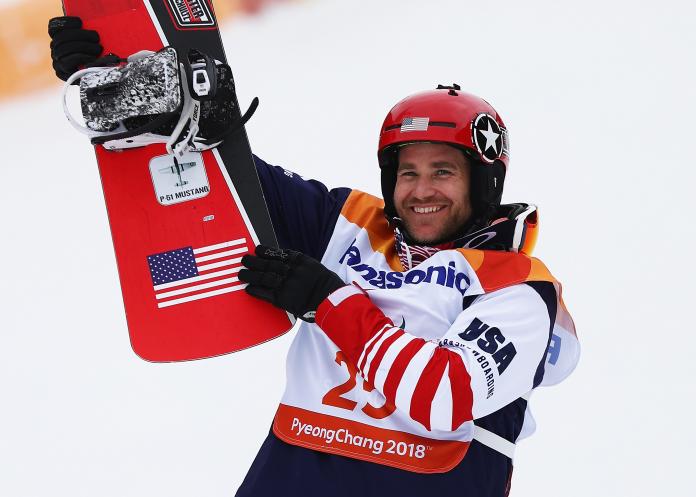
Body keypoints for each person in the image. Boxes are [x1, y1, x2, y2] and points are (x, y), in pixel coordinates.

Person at [49, 18, 579, 497]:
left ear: (484, 182)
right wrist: (128, 93)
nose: (421, 191)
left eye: (443, 171)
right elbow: (225, 176)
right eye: (406, 172)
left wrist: (328, 299)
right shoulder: (352, 225)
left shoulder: (521, 289)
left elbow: (442, 396)